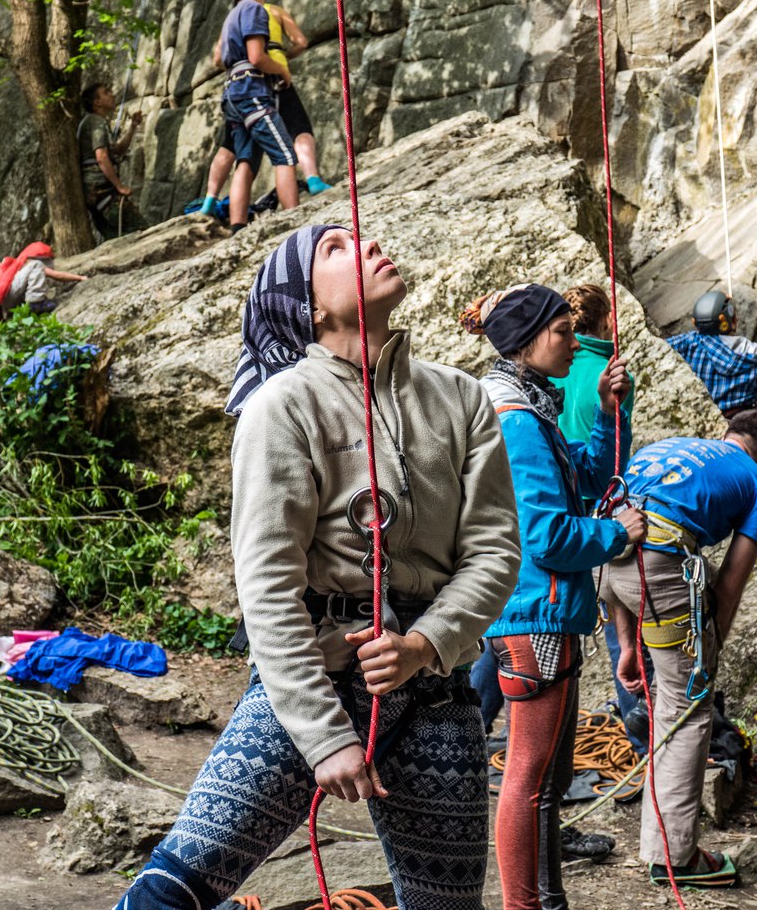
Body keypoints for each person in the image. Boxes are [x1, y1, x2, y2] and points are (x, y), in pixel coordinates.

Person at [114, 225, 521, 910]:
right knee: (171, 891)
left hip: (433, 690)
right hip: (314, 680)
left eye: (360, 236)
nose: (366, 243)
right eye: (334, 248)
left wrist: (423, 645)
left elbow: (495, 550)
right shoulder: (283, 407)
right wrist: (325, 737)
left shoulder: (462, 399)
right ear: (308, 309)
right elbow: (268, 586)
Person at [462, 282, 645, 910]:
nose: (574, 342)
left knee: (548, 777)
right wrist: (615, 534)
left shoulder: (531, 408)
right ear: (527, 342)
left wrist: (608, 409)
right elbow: (547, 535)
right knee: (532, 778)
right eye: (563, 331)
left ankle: (543, 900)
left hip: (541, 612)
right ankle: (528, 904)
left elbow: (590, 480)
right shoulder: (515, 421)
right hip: (534, 614)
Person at [602, 409, 757, 887]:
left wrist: (626, 645)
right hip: (663, 563)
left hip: (608, 558)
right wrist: (711, 652)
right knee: (689, 706)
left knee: (672, 701)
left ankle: (661, 841)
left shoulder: (669, 447)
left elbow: (621, 546)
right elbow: (730, 583)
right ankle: (675, 856)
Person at [554, 282, 648, 755]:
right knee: (621, 624)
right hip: (601, 508)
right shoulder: (610, 374)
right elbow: (611, 458)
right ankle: (642, 735)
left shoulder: (552, 371)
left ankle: (485, 717)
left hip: (555, 506)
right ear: (606, 320)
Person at [198, 0, 331, 221]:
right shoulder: (270, 10)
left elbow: (218, 58)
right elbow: (300, 41)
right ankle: (312, 179)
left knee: (231, 148)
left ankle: (210, 199)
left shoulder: (233, 18)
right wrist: (283, 57)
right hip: (272, 79)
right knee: (298, 130)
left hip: (238, 88)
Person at [217, 0, 299, 235]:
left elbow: (218, 58)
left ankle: (237, 226)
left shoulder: (232, 14)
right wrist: (282, 71)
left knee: (246, 157)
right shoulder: (254, 8)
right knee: (285, 153)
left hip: (232, 93)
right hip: (251, 90)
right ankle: (295, 221)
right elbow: (256, 56)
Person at [667, 291, 757, 416]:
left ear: (695, 323)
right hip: (744, 421)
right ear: (730, 320)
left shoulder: (687, 343)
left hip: (700, 417)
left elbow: (657, 349)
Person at [77, 81, 147, 240]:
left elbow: (117, 149)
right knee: (140, 230)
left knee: (115, 238)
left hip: (95, 195)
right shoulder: (96, 122)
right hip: (102, 192)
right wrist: (119, 186)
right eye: (106, 92)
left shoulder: (92, 122)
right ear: (97, 102)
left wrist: (133, 126)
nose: (112, 94)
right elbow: (101, 157)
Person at [0, 242, 85, 326]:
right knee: (37, 265)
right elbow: (57, 275)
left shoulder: (16, 268)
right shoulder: (29, 263)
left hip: (6, 302)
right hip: (10, 294)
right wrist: (80, 277)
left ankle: (17, 311)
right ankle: (35, 302)